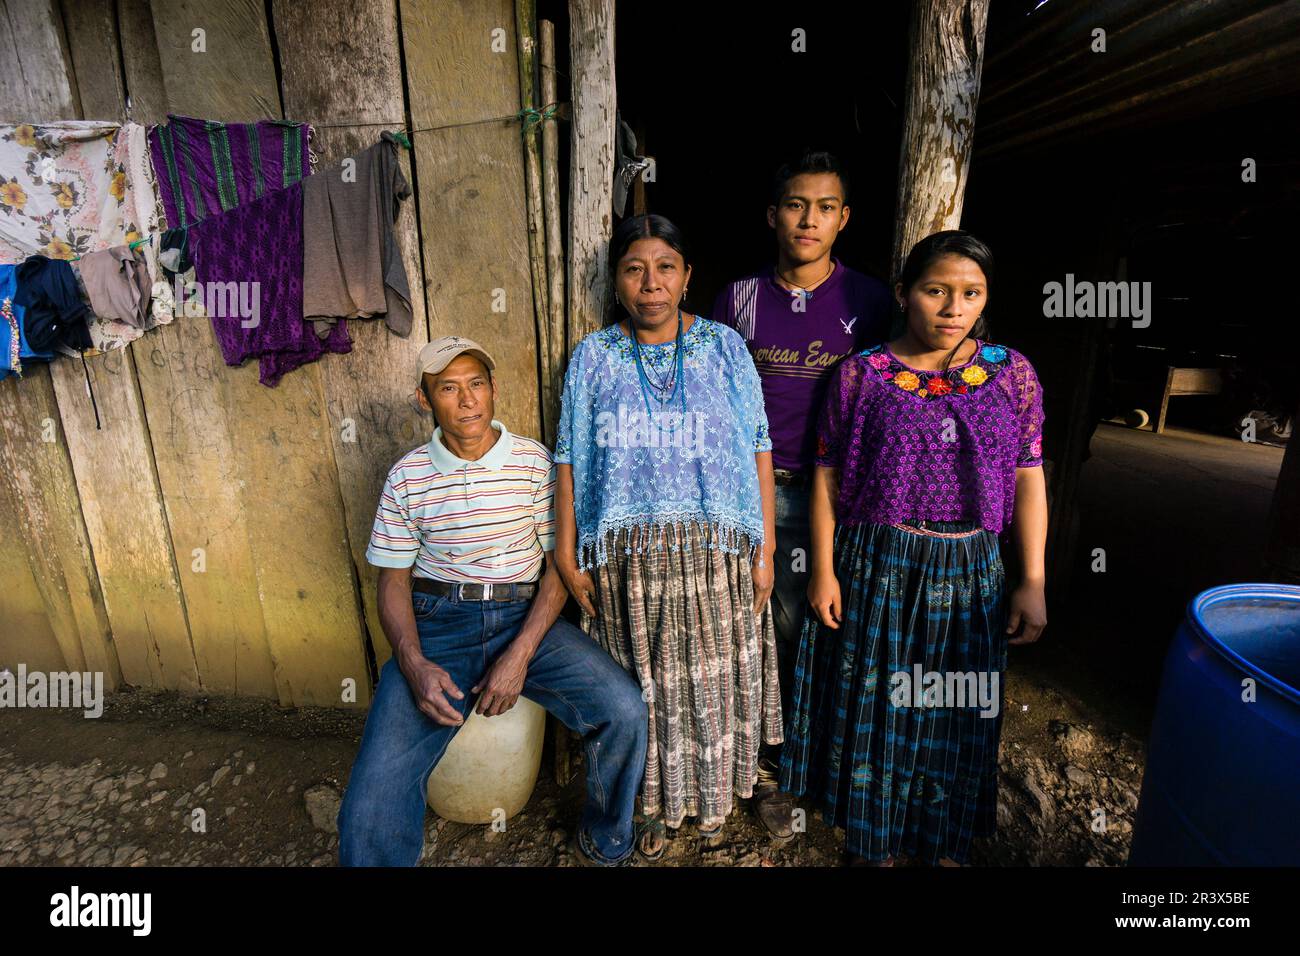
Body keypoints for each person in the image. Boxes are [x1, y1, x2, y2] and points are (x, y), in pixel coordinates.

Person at [780, 230, 1048, 866]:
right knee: (880, 708)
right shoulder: (861, 376)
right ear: (904, 295)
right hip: (879, 564)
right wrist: (823, 570)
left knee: (953, 709)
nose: (954, 308)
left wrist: (1032, 578)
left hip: (971, 569)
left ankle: (939, 842)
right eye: (937, 291)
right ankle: (869, 843)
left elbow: (1029, 473)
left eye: (970, 294)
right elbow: (826, 477)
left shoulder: (1013, 375)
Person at [337, 336, 648, 867]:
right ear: (424, 399)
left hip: (526, 618)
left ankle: (607, 838)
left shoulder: (535, 462)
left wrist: (520, 654)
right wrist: (412, 664)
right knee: (374, 788)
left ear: (494, 389)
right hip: (439, 622)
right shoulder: (407, 476)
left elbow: (558, 568)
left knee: (623, 709)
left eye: (476, 384)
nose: (466, 401)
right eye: (448, 388)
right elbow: (392, 581)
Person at [554, 214, 782, 861]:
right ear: (618, 282)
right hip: (629, 560)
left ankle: (712, 799)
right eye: (634, 268)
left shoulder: (724, 347)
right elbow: (567, 457)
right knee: (644, 683)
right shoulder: (594, 357)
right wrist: (566, 554)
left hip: (715, 551)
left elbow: (760, 446)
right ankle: (648, 805)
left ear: (686, 278)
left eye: (664, 267)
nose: (650, 282)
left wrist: (763, 548)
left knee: (711, 681)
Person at [711, 149, 892, 838]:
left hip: (846, 498)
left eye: (824, 207)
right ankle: (773, 762)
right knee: (773, 629)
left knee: (841, 627)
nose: (808, 219)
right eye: (795, 204)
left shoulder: (870, 301)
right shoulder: (738, 299)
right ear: (772, 215)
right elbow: (718, 397)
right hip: (760, 493)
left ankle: (832, 761)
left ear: (844, 219)